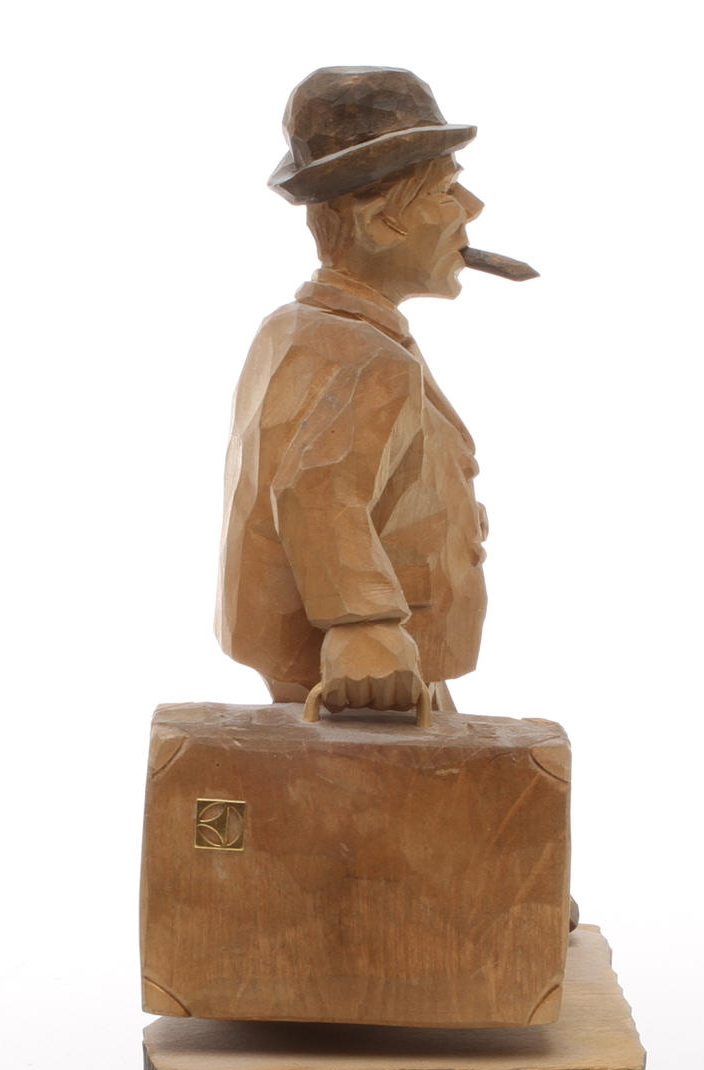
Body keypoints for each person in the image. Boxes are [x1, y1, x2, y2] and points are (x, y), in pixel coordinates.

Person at [216, 67, 508, 714]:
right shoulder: (366, 357)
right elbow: (317, 490)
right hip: (365, 675)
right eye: (447, 190)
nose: (472, 209)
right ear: (380, 223)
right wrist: (364, 627)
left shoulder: (298, 328)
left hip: (381, 670)